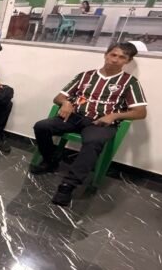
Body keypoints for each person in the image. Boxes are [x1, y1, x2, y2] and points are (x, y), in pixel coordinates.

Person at [30, 42, 147, 206]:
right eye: (113, 55)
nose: (115, 60)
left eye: (122, 57)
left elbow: (140, 112)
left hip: (100, 122)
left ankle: (68, 185)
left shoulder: (130, 82)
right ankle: (50, 160)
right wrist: (66, 103)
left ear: (127, 61)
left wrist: (114, 115)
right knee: (41, 126)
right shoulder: (85, 76)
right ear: (106, 55)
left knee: (93, 142)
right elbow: (59, 97)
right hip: (75, 116)